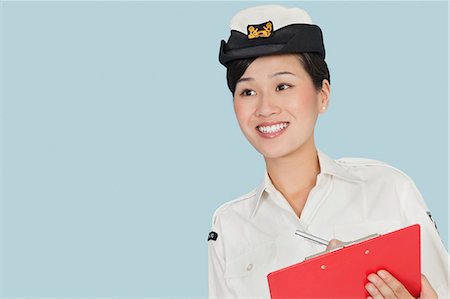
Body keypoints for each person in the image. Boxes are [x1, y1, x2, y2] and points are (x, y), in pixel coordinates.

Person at [207, 4, 449, 299]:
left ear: (323, 95)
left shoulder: (387, 189)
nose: (265, 107)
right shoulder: (229, 226)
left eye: (283, 86)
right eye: (247, 91)